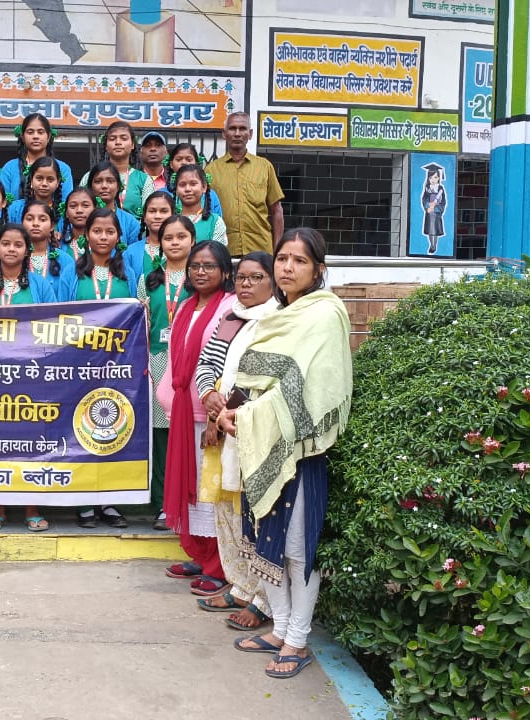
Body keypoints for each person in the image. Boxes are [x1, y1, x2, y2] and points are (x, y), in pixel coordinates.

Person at [221, 227, 352, 679]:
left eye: (299, 260)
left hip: (299, 449)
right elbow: (254, 379)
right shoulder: (275, 313)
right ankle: (279, 628)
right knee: (263, 541)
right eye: (282, 259)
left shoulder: (325, 314)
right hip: (258, 444)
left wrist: (251, 415)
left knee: (296, 551)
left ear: (318, 269)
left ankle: (297, 638)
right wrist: (234, 413)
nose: (288, 268)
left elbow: (316, 387)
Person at [191, 251, 281, 631]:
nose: (245, 284)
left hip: (253, 431)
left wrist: (230, 410)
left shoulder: (278, 320)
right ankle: (241, 586)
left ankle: (264, 599)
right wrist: (209, 395)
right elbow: (206, 364)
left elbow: (268, 379)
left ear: (272, 282)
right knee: (227, 513)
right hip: (221, 429)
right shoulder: (230, 318)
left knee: (254, 516)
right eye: (241, 277)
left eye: (255, 277)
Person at [0, 224, 56, 533]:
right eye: (6, 243)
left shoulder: (41, 286)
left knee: (31, 441)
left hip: (30, 375)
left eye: (18, 244)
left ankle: (32, 507)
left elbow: (54, 325)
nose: (12, 249)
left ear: (27, 250)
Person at [158, 240, 237, 597]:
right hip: (183, 413)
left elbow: (225, 362)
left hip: (211, 415)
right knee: (190, 487)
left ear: (225, 271)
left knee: (211, 491)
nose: (201, 272)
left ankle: (219, 565)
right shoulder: (186, 306)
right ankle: (199, 554)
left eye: (209, 266)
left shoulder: (230, 308)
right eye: (195, 266)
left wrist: (215, 416)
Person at [72, 207, 137, 529]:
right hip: (78, 365)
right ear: (86, 235)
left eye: (109, 231)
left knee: (113, 428)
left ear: (118, 237)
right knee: (80, 429)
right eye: (97, 231)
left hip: (117, 367)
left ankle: (109, 499)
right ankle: (83, 501)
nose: (103, 237)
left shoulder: (128, 273)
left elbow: (137, 315)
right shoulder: (72, 271)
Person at [137, 215, 195, 531]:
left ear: (192, 241)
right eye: (168, 238)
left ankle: (189, 504)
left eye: (181, 237)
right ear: (160, 243)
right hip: (157, 364)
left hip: (190, 366)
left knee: (186, 436)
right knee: (161, 440)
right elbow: (139, 325)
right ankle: (163, 505)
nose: (174, 243)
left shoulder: (199, 279)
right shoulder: (148, 280)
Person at [205, 112, 285, 256]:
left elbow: (276, 210)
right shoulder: (211, 170)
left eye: (242, 128)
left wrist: (278, 251)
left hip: (261, 249)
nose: (237, 133)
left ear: (250, 134)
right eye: (232, 128)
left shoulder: (264, 167)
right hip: (224, 251)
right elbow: (205, 210)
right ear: (224, 134)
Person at [78, 121, 153, 218]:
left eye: (124, 138)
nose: (118, 142)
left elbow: (150, 215)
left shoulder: (144, 180)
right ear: (106, 145)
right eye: (112, 139)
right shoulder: (89, 176)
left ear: (132, 145)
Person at [0, 113, 74, 203]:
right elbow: (2, 203)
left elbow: (67, 204)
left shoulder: (63, 169)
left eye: (40, 132)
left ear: (49, 137)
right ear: (22, 137)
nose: (35, 136)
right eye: (30, 132)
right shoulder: (10, 168)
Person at [21, 200, 75, 300]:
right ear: (22, 223)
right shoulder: (16, 259)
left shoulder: (65, 260)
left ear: (52, 226)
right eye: (30, 219)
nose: (36, 223)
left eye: (42, 219)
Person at [84, 161, 142, 244]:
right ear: (90, 187)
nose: (104, 186)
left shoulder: (130, 222)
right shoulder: (82, 218)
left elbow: (135, 251)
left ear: (118, 186)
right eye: (98, 181)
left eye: (110, 181)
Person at [122, 191, 175, 283]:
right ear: (144, 217)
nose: (157, 216)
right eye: (152, 211)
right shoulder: (130, 252)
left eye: (164, 211)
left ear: (173, 215)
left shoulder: (182, 250)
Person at [172, 164, 228, 245]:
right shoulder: (169, 221)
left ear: (204, 187)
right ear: (176, 189)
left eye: (193, 184)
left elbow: (218, 251)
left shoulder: (215, 222)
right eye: (182, 185)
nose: (187, 189)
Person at [164, 144, 223, 217]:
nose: (184, 163)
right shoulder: (162, 193)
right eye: (179, 159)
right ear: (171, 164)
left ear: (196, 163)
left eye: (189, 159)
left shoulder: (211, 195)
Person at [7, 156, 64, 224]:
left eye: (50, 180)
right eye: (39, 179)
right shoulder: (15, 209)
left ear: (58, 182)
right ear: (31, 180)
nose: (44, 184)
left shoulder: (64, 211)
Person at [60, 187, 96, 262]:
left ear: (95, 210)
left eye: (85, 205)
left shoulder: (104, 242)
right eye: (73, 206)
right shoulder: (58, 243)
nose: (79, 210)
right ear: (66, 213)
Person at [420, 162, 448, 255]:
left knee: (434, 230)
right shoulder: (427, 188)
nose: (433, 180)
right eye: (431, 177)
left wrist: (436, 208)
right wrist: (428, 206)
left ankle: (434, 246)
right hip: (429, 212)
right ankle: (431, 245)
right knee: (430, 230)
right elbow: (424, 199)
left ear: (439, 178)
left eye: (435, 177)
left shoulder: (440, 189)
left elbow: (443, 202)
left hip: (436, 213)